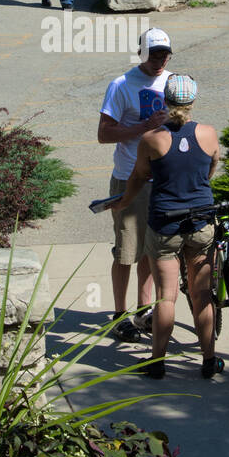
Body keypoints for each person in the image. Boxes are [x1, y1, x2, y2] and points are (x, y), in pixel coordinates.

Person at [111, 74, 222, 379]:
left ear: (165, 100)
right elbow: (210, 169)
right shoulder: (209, 134)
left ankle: (156, 363)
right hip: (199, 221)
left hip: (165, 224)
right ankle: (209, 360)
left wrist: (122, 202)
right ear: (193, 102)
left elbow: (138, 178)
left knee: (166, 297)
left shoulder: (151, 140)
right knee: (202, 295)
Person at [97, 29, 173, 342]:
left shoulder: (172, 82)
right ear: (141, 52)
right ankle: (119, 315)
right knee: (126, 252)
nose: (159, 60)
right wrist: (144, 127)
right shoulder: (121, 85)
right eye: (153, 54)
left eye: (164, 54)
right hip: (131, 178)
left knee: (149, 252)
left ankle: (143, 311)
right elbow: (104, 133)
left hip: (163, 179)